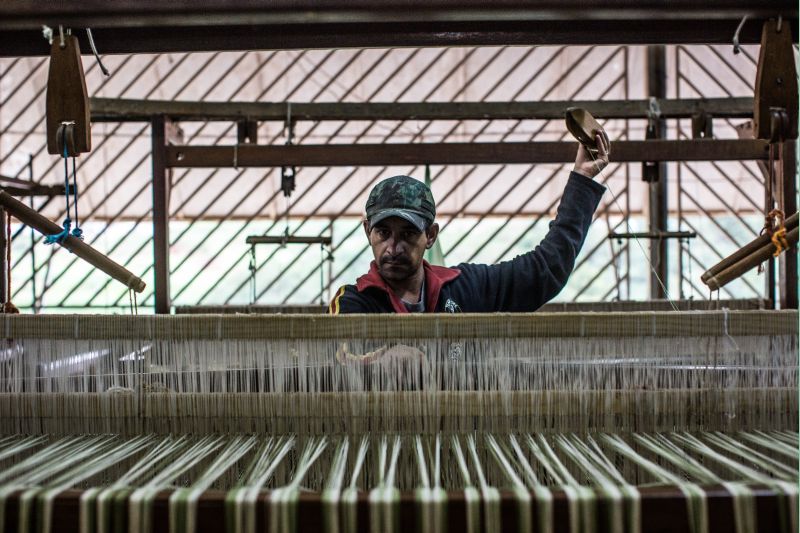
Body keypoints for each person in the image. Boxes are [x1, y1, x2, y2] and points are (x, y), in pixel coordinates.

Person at [328, 135, 609, 314]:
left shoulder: (465, 288)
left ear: (431, 235)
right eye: (383, 232)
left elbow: (545, 271)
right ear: (368, 232)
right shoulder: (354, 303)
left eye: (408, 234)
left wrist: (582, 180)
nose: (393, 247)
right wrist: (384, 358)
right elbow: (344, 355)